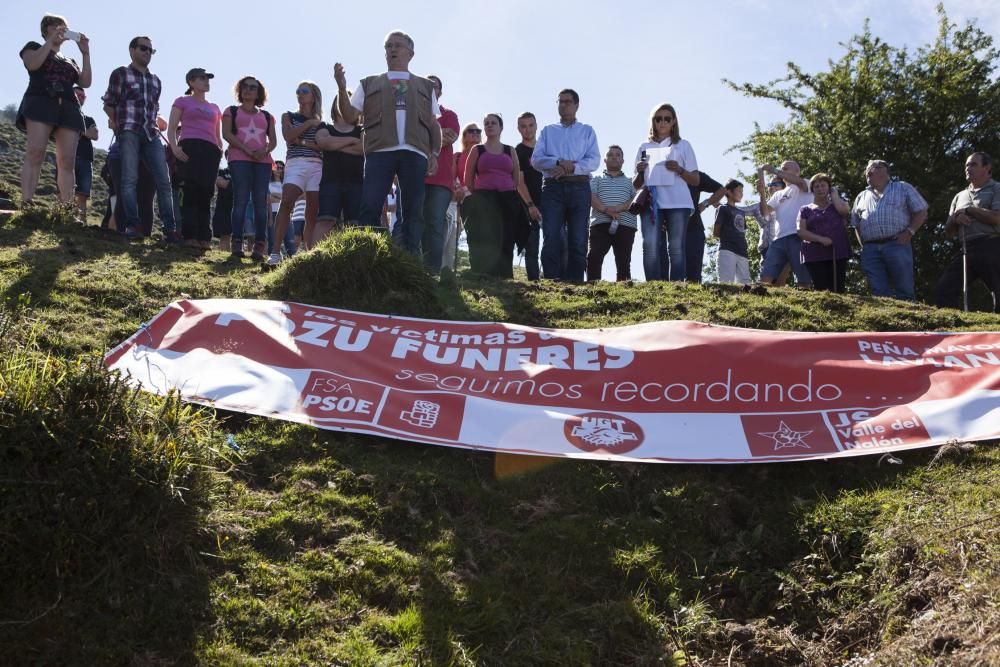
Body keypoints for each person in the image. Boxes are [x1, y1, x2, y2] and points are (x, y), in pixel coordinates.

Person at [334, 30, 443, 258]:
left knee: (413, 210)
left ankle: (411, 261)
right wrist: (341, 87)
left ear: (410, 53)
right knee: (370, 205)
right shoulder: (369, 82)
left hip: (415, 153)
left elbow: (433, 125)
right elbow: (349, 115)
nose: (392, 50)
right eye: (388, 46)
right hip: (379, 152)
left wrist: (434, 153)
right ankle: (366, 257)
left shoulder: (425, 86)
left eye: (397, 45)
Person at [102, 36, 178, 242]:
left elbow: (154, 107)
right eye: (143, 48)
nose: (147, 53)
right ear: (132, 50)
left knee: (164, 181)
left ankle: (170, 229)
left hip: (151, 133)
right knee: (129, 179)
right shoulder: (121, 73)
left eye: (150, 50)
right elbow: (108, 103)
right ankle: (132, 224)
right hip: (129, 130)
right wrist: (119, 123)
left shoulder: (155, 80)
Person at [18, 14, 92, 207]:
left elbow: (85, 82)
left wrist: (85, 53)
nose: (61, 29)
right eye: (56, 26)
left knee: (67, 160)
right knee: (36, 152)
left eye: (64, 27)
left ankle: (65, 208)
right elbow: (32, 64)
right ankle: (26, 201)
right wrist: (50, 42)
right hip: (41, 101)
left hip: (68, 107)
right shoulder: (33, 47)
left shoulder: (69, 59)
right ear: (46, 29)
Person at [531, 89, 600, 282]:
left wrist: (572, 167)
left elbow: (594, 161)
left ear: (577, 105)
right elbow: (536, 160)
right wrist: (558, 162)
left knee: (578, 238)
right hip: (553, 187)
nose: (563, 105)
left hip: (579, 187)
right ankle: (552, 280)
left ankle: (576, 282)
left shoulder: (587, 130)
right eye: (560, 102)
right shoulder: (548, 131)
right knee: (551, 236)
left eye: (568, 102)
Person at [633, 103, 699, 281]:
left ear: (674, 121)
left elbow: (696, 179)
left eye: (667, 119)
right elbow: (636, 183)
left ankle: (677, 286)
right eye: (658, 119)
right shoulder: (644, 146)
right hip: (651, 202)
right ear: (653, 122)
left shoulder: (683, 145)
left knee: (676, 246)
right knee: (650, 245)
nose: (662, 122)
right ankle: (653, 286)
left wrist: (679, 170)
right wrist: (640, 170)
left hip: (678, 202)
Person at [851, 159, 928, 300]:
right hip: (871, 250)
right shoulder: (861, 196)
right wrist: (865, 246)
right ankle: (884, 320)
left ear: (885, 172)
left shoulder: (902, 188)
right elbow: (856, 224)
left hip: (897, 244)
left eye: (873, 168)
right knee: (878, 292)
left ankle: (909, 319)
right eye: (867, 170)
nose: (868, 171)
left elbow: (922, 211)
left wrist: (909, 232)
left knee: (904, 288)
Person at [934, 152, 1000, 311]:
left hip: (992, 243)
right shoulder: (959, 196)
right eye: (967, 165)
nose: (968, 168)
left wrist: (969, 210)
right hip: (966, 247)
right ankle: (952, 329)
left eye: (973, 164)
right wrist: (956, 217)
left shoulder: (997, 188)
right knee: (944, 287)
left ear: (987, 168)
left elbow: (997, 218)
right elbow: (949, 232)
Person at [221, 75, 277, 260]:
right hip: (239, 159)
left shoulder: (267, 116)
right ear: (239, 90)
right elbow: (226, 134)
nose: (248, 90)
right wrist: (245, 149)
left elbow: (273, 141)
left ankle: (260, 245)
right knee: (241, 201)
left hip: (263, 162)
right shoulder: (231, 111)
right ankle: (237, 243)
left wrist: (264, 150)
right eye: (244, 86)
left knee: (261, 203)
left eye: (253, 87)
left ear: (259, 92)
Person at [268, 81, 323, 266]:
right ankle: (275, 253)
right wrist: (309, 124)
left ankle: (309, 252)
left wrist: (302, 142)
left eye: (304, 91)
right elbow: (288, 136)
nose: (300, 94)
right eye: (298, 91)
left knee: (312, 212)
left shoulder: (322, 124)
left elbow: (322, 146)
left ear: (313, 96)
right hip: (295, 163)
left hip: (317, 165)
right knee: (287, 202)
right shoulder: (288, 116)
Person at [462, 114, 524, 277]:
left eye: (493, 123)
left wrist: (508, 189)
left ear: (501, 127)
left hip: (507, 198)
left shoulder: (510, 150)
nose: (490, 125)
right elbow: (468, 179)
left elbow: (516, 177)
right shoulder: (477, 150)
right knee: (484, 236)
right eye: (487, 123)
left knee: (507, 236)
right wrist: (479, 194)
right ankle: (482, 273)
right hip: (484, 199)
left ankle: (504, 275)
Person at [168, 68, 222, 250]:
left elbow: (218, 135)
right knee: (189, 190)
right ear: (191, 82)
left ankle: (204, 238)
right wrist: (175, 148)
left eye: (208, 78)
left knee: (206, 193)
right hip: (189, 146)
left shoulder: (215, 107)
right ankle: (189, 235)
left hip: (210, 150)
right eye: (202, 78)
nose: (206, 81)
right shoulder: (182, 101)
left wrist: (219, 151)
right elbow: (172, 127)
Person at [420, 75, 460, 274]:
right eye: (426, 86)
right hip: (414, 176)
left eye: (434, 86)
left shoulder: (450, 114)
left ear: (440, 92)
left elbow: (449, 137)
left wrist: (418, 136)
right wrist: (437, 134)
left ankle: (432, 271)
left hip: (441, 180)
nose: (430, 89)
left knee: (434, 223)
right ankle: (411, 269)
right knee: (412, 221)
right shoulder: (412, 113)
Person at [314, 95, 363, 243]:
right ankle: (314, 259)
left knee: (355, 225)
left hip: (357, 183)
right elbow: (323, 143)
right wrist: (352, 141)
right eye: (342, 101)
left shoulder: (362, 129)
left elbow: (363, 149)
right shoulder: (324, 127)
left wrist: (335, 146)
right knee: (325, 221)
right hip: (330, 182)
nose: (344, 105)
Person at [756, 161, 814, 286]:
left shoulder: (806, 183)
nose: (781, 171)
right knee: (766, 275)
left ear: (797, 171)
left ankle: (805, 302)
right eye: (781, 169)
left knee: (803, 278)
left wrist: (774, 170)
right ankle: (760, 300)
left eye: (785, 169)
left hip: (798, 236)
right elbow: (765, 212)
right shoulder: (778, 194)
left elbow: (799, 183)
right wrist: (761, 193)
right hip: (778, 239)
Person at [586, 146, 637, 281]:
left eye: (618, 155)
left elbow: (635, 199)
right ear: (605, 160)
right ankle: (593, 288)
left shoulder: (631, 181)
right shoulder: (596, 179)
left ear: (622, 161)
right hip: (600, 224)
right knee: (593, 257)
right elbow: (590, 196)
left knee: (624, 262)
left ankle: (623, 293)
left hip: (625, 224)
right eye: (610, 155)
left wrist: (618, 208)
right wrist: (606, 210)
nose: (614, 157)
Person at [796, 173, 851, 292]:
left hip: (837, 253)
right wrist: (821, 239)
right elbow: (801, 232)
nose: (820, 189)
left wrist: (835, 196)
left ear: (829, 188)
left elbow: (844, 212)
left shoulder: (838, 205)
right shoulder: (805, 209)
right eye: (816, 186)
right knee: (821, 289)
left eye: (823, 186)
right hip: (814, 255)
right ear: (812, 190)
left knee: (838, 288)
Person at [684, 171, 727, 282]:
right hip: (670, 230)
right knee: (672, 275)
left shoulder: (695, 175)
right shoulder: (665, 173)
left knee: (693, 276)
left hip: (693, 228)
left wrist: (705, 203)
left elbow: (722, 190)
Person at [515, 112, 543, 280]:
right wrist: (530, 204)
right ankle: (534, 281)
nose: (527, 129)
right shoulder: (518, 151)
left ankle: (555, 280)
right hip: (528, 203)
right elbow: (519, 182)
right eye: (523, 126)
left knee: (556, 242)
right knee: (531, 246)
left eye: (531, 125)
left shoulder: (545, 149)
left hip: (551, 201)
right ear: (518, 129)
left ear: (536, 125)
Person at [714, 180, 754, 284]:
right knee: (726, 283)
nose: (741, 194)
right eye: (739, 191)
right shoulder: (722, 208)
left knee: (745, 284)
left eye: (742, 191)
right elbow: (716, 231)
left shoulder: (741, 212)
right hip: (727, 250)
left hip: (742, 252)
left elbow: (741, 231)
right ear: (729, 192)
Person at [73, 86, 98, 222]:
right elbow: (89, 133)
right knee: (64, 190)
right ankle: (64, 218)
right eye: (77, 95)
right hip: (68, 157)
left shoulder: (89, 119)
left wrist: (76, 128)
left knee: (83, 193)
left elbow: (95, 135)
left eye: (83, 97)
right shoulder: (64, 114)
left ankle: (81, 222)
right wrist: (85, 132)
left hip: (86, 159)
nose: (80, 98)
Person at [267, 161, 296, 257]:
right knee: (273, 240)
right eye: (276, 167)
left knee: (289, 239)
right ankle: (273, 260)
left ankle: (292, 259)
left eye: (281, 168)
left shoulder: (286, 183)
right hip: (272, 213)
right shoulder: (268, 183)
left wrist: (275, 195)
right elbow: (268, 199)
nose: (279, 170)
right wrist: (282, 198)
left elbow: (290, 198)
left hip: (286, 214)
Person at [211, 165, 233, 251]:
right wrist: (237, 184)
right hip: (223, 208)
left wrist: (229, 183)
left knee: (235, 238)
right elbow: (221, 183)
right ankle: (224, 255)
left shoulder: (243, 172)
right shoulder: (222, 171)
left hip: (238, 208)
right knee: (224, 235)